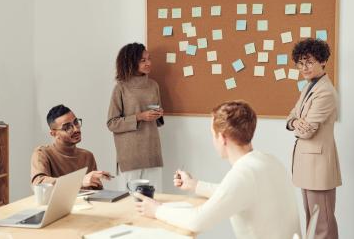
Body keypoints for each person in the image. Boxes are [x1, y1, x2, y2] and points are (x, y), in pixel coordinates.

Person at [134, 101, 301, 239]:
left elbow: (197, 220)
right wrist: (195, 185)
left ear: (222, 138)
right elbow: (234, 194)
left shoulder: (243, 174)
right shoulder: (268, 160)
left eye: (213, 134)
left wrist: (157, 210)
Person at [286, 38, 341, 239]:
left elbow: (307, 131)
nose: (304, 67)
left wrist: (298, 123)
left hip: (319, 167)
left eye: (309, 62)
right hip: (308, 165)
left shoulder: (325, 92)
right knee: (312, 222)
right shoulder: (309, 87)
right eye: (300, 63)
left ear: (323, 60)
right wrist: (295, 122)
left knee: (322, 225)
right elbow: (291, 116)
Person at [107, 42, 164, 191]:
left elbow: (155, 120)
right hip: (130, 154)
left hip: (152, 151)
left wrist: (158, 114)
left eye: (149, 59)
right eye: (143, 60)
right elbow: (112, 123)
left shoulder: (153, 85)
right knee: (129, 201)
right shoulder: (121, 88)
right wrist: (139, 116)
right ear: (130, 62)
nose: (148, 63)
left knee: (155, 198)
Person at [31, 104, 111, 189]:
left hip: (86, 202)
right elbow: (38, 183)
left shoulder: (88, 156)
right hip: (59, 202)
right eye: (67, 127)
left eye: (76, 122)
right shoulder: (42, 153)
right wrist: (79, 181)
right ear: (53, 134)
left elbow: (97, 193)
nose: (76, 129)